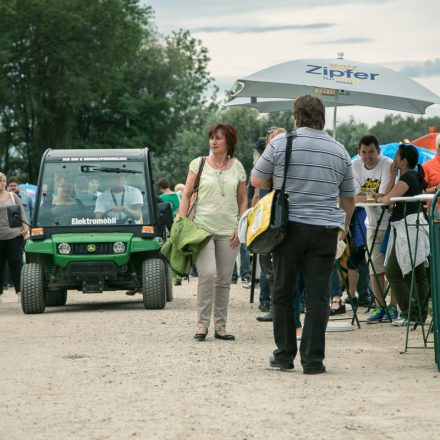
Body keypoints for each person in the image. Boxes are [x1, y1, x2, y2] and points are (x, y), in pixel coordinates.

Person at [251, 95, 355, 374]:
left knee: (283, 291)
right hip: (325, 231)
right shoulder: (339, 150)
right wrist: (343, 225)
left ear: (296, 118)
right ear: (321, 118)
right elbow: (348, 197)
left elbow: (256, 179)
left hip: (289, 228)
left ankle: (284, 355)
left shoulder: (281, 143)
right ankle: (313, 360)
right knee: (318, 296)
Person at [177, 123, 248, 341]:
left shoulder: (237, 167)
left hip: (229, 231)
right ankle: (202, 325)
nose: (213, 142)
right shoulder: (198, 163)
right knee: (207, 274)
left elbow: (243, 198)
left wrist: (240, 225)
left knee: (224, 280)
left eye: (218, 138)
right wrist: (181, 218)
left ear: (229, 142)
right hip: (202, 229)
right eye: (211, 138)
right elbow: (187, 193)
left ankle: (221, 327)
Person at [376, 144, 429, 326]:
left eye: (397, 157)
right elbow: (388, 196)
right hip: (405, 228)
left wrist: (389, 182)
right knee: (397, 272)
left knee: (414, 272)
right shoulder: (407, 177)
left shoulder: (406, 178)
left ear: (404, 161)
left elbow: (386, 198)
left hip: (410, 229)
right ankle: (410, 313)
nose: (394, 160)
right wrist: (391, 176)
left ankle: (415, 314)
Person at [351, 135, 398, 323]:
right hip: (370, 223)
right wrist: (376, 197)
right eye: (364, 152)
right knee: (374, 268)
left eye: (371, 152)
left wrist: (369, 195)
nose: (368, 156)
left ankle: (393, 307)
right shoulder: (354, 166)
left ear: (378, 151)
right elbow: (354, 197)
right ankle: (380, 307)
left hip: (391, 223)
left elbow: (387, 194)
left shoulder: (386, 164)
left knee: (393, 268)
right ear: (359, 153)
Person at [0, 172, 29, 298]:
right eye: (0, 181)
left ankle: (20, 292)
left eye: (4, 181)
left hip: (14, 235)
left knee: (16, 264)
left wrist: (25, 227)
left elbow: (22, 212)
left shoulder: (12, 196)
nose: (2, 183)